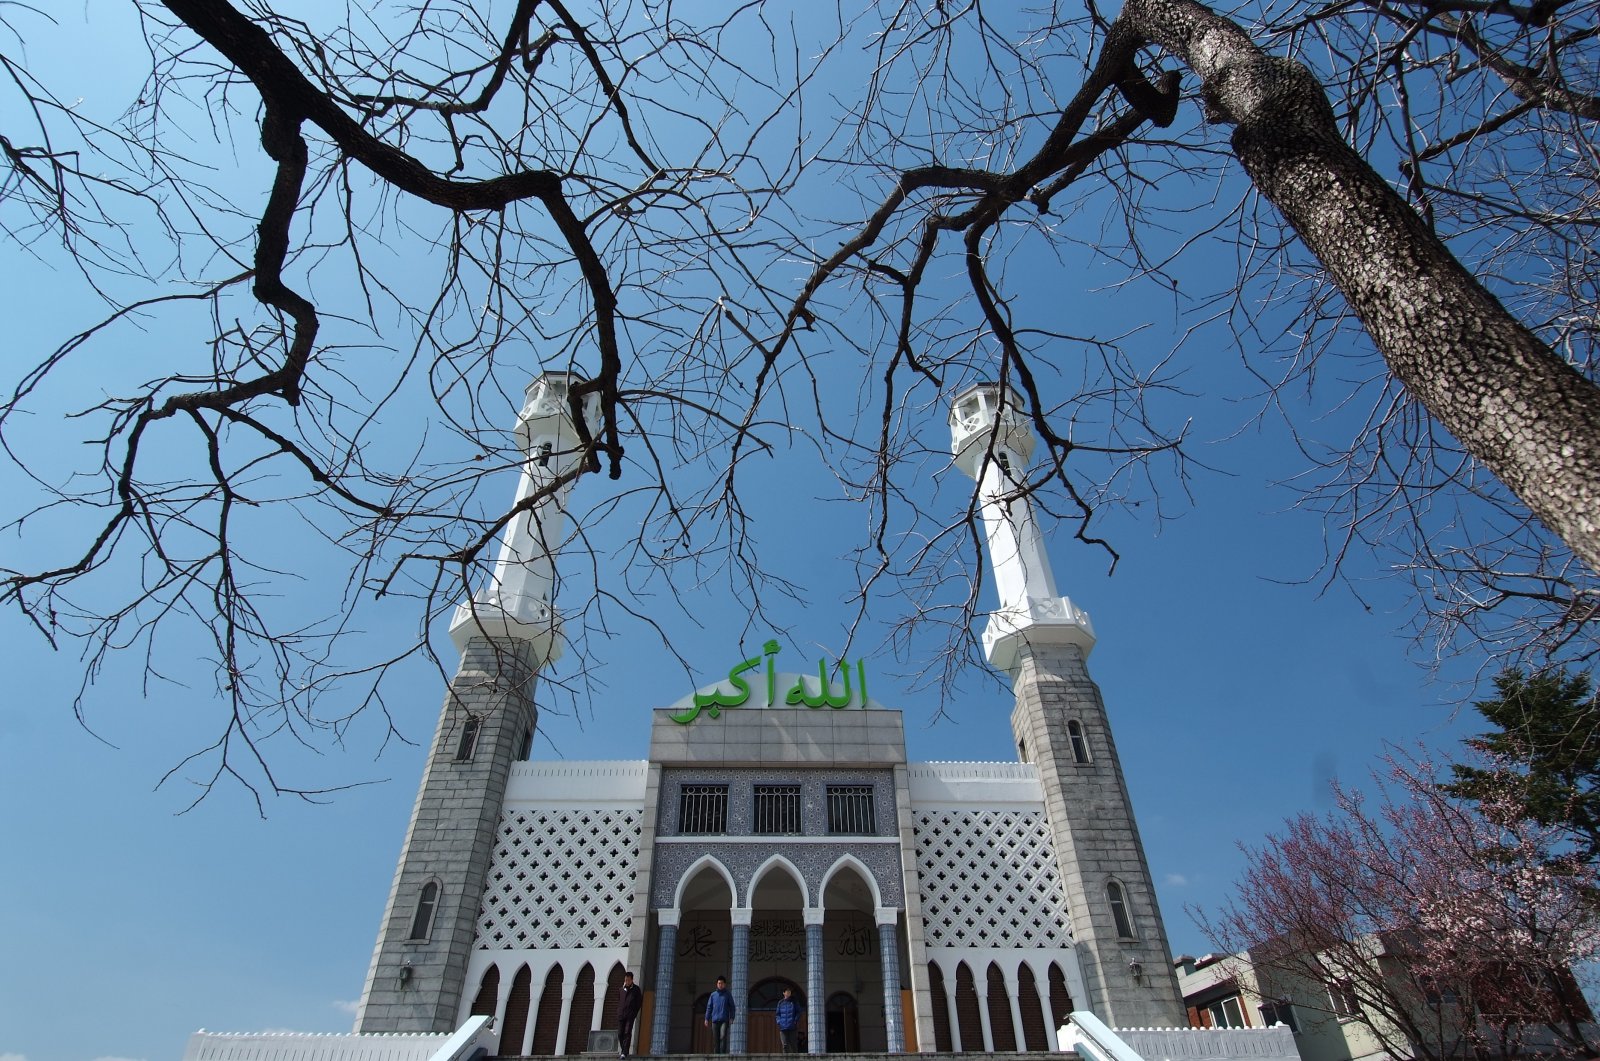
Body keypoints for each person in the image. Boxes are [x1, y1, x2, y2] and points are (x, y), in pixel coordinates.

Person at [704, 975, 736, 1053]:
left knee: (723, 1036)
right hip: (714, 1020)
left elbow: (732, 1007)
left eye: (721, 983)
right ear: (717, 984)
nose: (720, 985)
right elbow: (709, 1007)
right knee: (716, 1040)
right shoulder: (713, 995)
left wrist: (732, 1017)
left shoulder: (728, 994)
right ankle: (716, 1056)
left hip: (724, 1020)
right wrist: (706, 1018)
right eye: (718, 983)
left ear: (724, 984)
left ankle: (723, 1055)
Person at [617, 971, 643, 1059]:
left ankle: (624, 1052)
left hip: (630, 1016)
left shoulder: (636, 990)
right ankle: (625, 1049)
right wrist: (619, 1012)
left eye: (628, 980)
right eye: (625, 980)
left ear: (632, 980)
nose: (626, 982)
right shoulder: (621, 990)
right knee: (620, 1034)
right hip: (621, 1015)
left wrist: (633, 1014)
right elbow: (619, 1001)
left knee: (627, 1032)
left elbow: (639, 1003)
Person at [774, 986, 800, 1053]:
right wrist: (779, 1022)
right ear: (784, 993)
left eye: (790, 992)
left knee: (793, 1044)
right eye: (787, 992)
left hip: (792, 1027)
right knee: (785, 1045)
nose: (788, 993)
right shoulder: (780, 1002)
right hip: (783, 1027)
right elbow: (777, 1014)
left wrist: (795, 1020)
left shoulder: (794, 1002)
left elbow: (798, 1012)